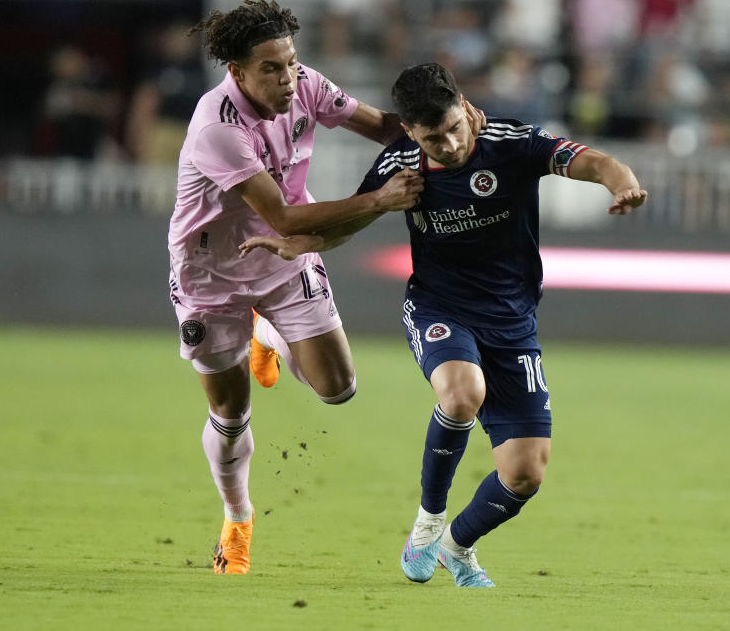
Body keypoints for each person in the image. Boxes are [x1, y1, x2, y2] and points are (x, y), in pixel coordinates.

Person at [240, 62, 647, 587]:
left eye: (456, 128)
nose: (451, 145)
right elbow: (350, 223)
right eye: (434, 137)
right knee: (461, 394)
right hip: (440, 307)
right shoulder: (401, 164)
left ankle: (457, 547)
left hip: (512, 320)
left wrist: (624, 183)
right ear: (409, 130)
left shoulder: (510, 142)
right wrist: (300, 244)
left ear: (466, 108)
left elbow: (591, 161)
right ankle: (429, 522)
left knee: (524, 475)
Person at [170, 0, 483, 575]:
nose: (288, 78)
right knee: (232, 410)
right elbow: (285, 218)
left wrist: (450, 124)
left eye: (290, 63)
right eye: (271, 69)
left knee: (338, 389)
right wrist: (380, 199)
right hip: (211, 274)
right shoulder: (217, 128)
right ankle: (237, 519)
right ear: (237, 72)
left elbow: (389, 128)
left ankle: (267, 330)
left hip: (286, 260)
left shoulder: (306, 86)